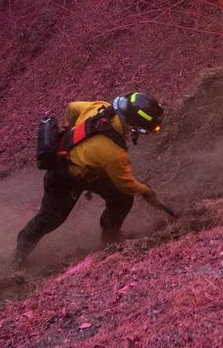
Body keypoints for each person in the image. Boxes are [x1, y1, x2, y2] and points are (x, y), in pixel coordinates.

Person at [14, 92, 172, 266]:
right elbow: (125, 183)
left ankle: (110, 238)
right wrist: (147, 192)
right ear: (135, 126)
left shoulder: (100, 107)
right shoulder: (113, 153)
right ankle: (19, 255)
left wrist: (70, 130)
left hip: (88, 169)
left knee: (121, 198)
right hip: (63, 176)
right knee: (49, 219)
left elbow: (72, 108)